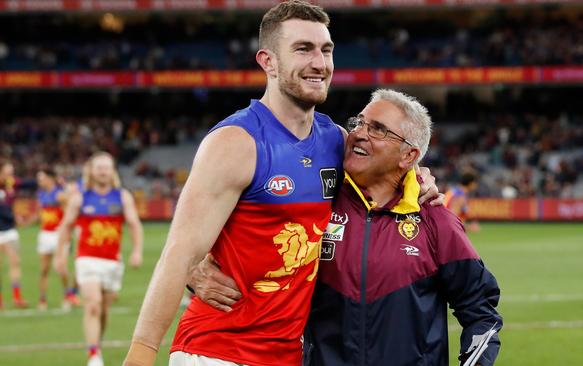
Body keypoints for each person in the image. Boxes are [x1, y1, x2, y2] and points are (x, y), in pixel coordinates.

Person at [123, 2, 440, 366]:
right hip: (219, 351)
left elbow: (388, 176)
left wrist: (419, 179)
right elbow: (179, 254)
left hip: (289, 355)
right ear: (268, 61)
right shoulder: (236, 142)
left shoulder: (336, 141)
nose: (319, 63)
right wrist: (142, 352)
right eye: (303, 49)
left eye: (326, 50)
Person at [193, 90, 502, 366]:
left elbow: (481, 311)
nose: (359, 134)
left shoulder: (436, 220)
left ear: (409, 155)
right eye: (359, 123)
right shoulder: (316, 200)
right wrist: (193, 268)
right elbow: (238, 233)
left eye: (378, 129)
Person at [55, 151, 143, 366]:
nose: (103, 171)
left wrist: (136, 251)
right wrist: (60, 254)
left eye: (106, 167)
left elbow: (134, 224)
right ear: (91, 171)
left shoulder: (122, 196)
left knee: (103, 310)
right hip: (86, 259)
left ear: (112, 170)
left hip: (112, 262)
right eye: (99, 167)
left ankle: (96, 342)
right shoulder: (80, 197)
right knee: (93, 304)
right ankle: (93, 354)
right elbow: (66, 226)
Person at [25, 168, 81, 311]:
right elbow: (39, 214)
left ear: (50, 178)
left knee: (61, 268)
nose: (39, 181)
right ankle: (42, 299)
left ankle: (67, 296)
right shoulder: (41, 194)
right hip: (45, 234)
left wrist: (67, 232)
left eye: (41, 178)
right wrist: (25, 222)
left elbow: (70, 213)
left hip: (58, 235)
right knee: (44, 269)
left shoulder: (60, 195)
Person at [0, 160, 29, 309]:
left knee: (15, 264)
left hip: (9, 232)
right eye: (8, 172)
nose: (10, 175)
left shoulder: (10, 185)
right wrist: (15, 218)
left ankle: (17, 297)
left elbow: (28, 183)